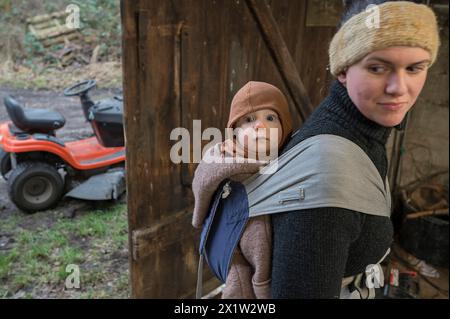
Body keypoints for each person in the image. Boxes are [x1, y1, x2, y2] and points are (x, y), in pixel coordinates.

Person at [270, 0, 441, 298]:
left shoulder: (365, 135)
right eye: (377, 67)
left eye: (414, 68)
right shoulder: (328, 177)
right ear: (343, 69)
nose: (399, 88)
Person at [192, 81, 292, 298]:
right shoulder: (224, 156)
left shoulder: (290, 161)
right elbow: (202, 182)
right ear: (235, 132)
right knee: (240, 286)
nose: (260, 126)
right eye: (249, 119)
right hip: (235, 253)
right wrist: (198, 217)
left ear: (285, 127)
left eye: (270, 118)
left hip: (274, 261)